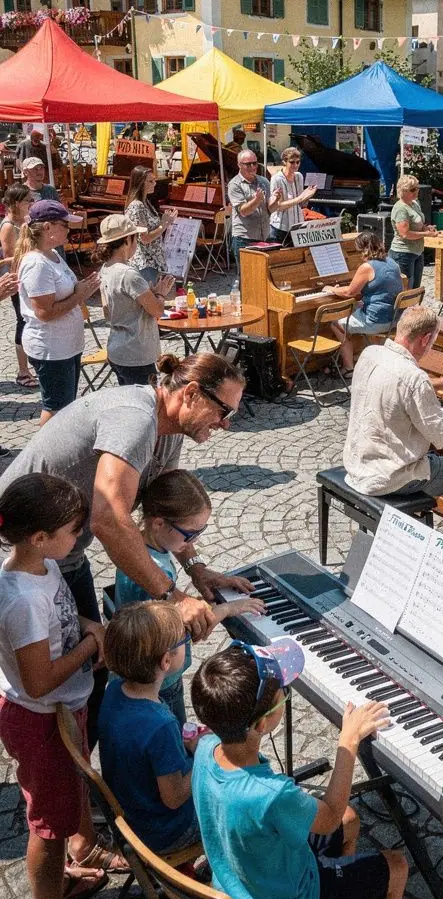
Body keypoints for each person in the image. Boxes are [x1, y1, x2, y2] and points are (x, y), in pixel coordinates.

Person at [0, 351, 253, 745]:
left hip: (61, 552)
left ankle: (95, 770)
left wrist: (196, 568)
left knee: (94, 664)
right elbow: (109, 519)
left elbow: (165, 507)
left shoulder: (167, 431)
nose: (224, 424)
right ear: (189, 393)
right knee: (73, 669)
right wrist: (173, 596)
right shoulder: (136, 421)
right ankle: (73, 772)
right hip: (27, 551)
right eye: (224, 411)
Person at [191, 641, 410, 899]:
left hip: (237, 893)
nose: (286, 696)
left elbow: (336, 820)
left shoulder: (206, 747)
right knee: (396, 867)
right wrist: (348, 741)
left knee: (352, 822)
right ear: (261, 724)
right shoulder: (271, 794)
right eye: (283, 695)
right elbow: (329, 814)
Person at [0, 473, 122, 899]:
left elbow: (65, 623)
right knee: (48, 828)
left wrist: (92, 627)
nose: (80, 538)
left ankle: (66, 877)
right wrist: (93, 644)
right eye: (73, 531)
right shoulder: (22, 599)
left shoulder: (43, 569)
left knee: (67, 802)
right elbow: (38, 680)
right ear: (39, 537)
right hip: (39, 718)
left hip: (62, 711)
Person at [342, 304, 443, 570]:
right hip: (391, 476)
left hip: (358, 465)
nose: (430, 349)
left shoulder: (371, 353)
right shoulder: (414, 379)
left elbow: (409, 383)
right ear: (425, 339)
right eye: (433, 343)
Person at [112, 470, 263, 724]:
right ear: (159, 523)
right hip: (162, 682)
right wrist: (228, 609)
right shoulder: (154, 572)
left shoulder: (143, 552)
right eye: (191, 534)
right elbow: (181, 631)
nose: (194, 540)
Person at [98, 602, 201, 855]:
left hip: (134, 819)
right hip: (167, 833)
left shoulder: (113, 692)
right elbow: (175, 797)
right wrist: (205, 757)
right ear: (166, 660)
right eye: (182, 641)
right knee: (231, 796)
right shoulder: (160, 725)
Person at [14, 200, 99, 425]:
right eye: (65, 225)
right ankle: (46, 456)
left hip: (66, 345)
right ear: (47, 227)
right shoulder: (36, 263)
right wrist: (79, 296)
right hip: (51, 347)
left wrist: (85, 288)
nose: (69, 230)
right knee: (55, 410)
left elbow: (66, 291)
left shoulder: (53, 254)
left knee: (65, 406)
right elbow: (44, 313)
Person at [95, 213, 174, 385]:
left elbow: (108, 312)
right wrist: (160, 294)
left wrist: (147, 294)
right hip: (136, 352)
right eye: (135, 238)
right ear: (126, 241)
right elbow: (158, 311)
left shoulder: (106, 268)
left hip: (117, 348)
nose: (137, 243)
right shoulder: (128, 274)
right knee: (146, 404)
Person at [324, 230, 403, 372]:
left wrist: (331, 289)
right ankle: (370, 355)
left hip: (377, 321)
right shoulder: (392, 262)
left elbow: (349, 292)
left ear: (362, 249)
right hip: (394, 319)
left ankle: (348, 368)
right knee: (357, 305)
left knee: (335, 324)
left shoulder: (367, 267)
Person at [1, 183, 36, 388]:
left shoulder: (26, 220)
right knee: (22, 321)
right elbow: (10, 259)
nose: (31, 203)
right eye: (28, 200)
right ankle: (23, 371)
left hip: (30, 276)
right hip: (18, 280)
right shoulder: (8, 226)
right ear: (16, 203)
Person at [124, 165, 178, 285]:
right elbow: (144, 238)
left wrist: (167, 221)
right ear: (140, 183)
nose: (154, 184)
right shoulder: (137, 206)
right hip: (144, 263)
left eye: (154, 180)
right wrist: (163, 224)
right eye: (150, 181)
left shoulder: (145, 202)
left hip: (153, 260)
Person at [389, 175, 437, 291]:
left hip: (417, 251)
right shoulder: (401, 208)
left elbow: (418, 225)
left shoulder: (415, 204)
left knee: (415, 289)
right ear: (403, 191)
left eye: (417, 188)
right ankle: (403, 310)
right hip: (403, 253)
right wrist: (427, 234)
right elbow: (405, 234)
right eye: (413, 189)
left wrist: (426, 228)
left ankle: (414, 309)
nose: (417, 191)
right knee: (405, 290)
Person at [228, 148, 273, 267]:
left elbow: (270, 209)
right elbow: (243, 211)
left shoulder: (264, 181)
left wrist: (277, 200)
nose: (253, 167)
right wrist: (257, 200)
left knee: (262, 277)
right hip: (244, 239)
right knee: (246, 279)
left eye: (255, 163)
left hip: (264, 236)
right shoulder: (234, 184)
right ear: (239, 165)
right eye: (248, 164)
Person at [267, 146, 317, 246]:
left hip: (297, 226)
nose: (295, 165)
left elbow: (302, 205)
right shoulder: (276, 179)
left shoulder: (299, 176)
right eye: (292, 162)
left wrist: (308, 195)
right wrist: (301, 197)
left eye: (298, 162)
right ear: (284, 162)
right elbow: (279, 206)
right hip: (280, 228)